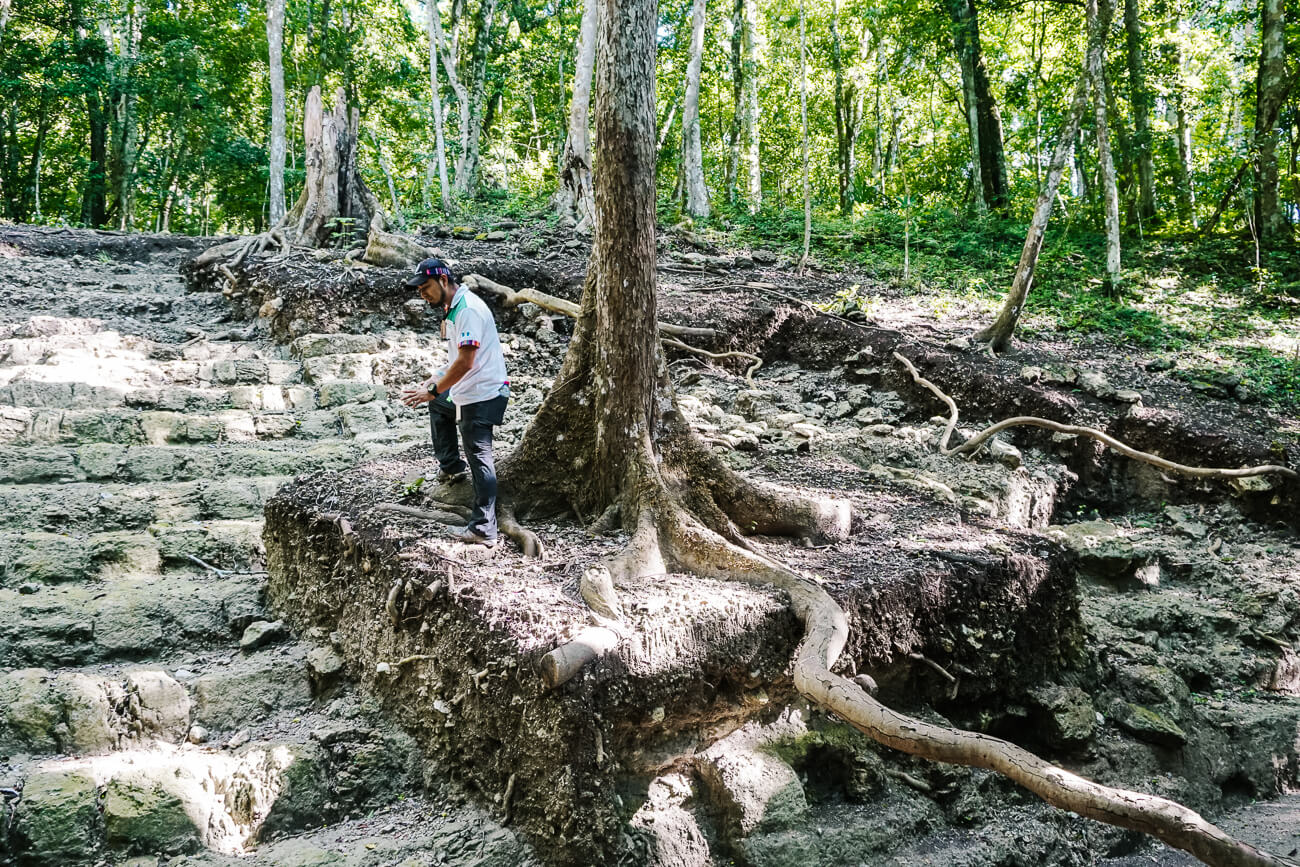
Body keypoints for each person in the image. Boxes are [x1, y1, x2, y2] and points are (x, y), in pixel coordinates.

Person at [400, 258, 509, 547]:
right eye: (419, 290)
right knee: (438, 405)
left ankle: (484, 529)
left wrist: (434, 390)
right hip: (466, 390)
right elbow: (453, 362)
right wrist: (432, 381)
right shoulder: (453, 309)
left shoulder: (468, 310)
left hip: (483, 394)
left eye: (426, 287)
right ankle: (451, 468)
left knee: (480, 456)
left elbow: (465, 362)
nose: (423, 294)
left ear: (444, 281)